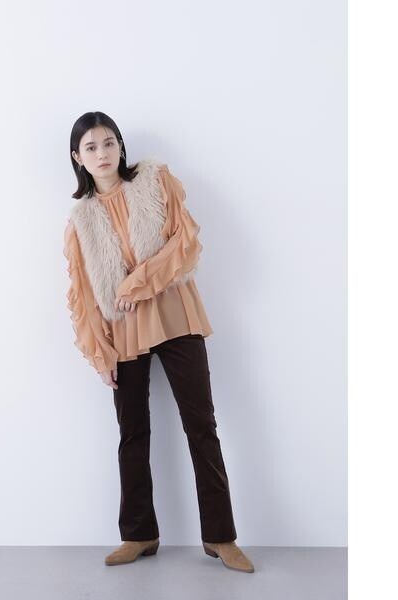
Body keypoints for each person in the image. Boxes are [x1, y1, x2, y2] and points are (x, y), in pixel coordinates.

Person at [63, 111, 255, 573]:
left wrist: (136, 283)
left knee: (201, 424)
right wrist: (99, 353)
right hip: (124, 330)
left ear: (121, 146)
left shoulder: (155, 182)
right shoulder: (80, 221)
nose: (103, 153)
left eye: (109, 143)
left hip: (175, 313)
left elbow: (184, 241)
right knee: (132, 432)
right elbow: (83, 295)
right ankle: (139, 534)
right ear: (78, 158)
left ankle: (221, 537)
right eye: (91, 147)